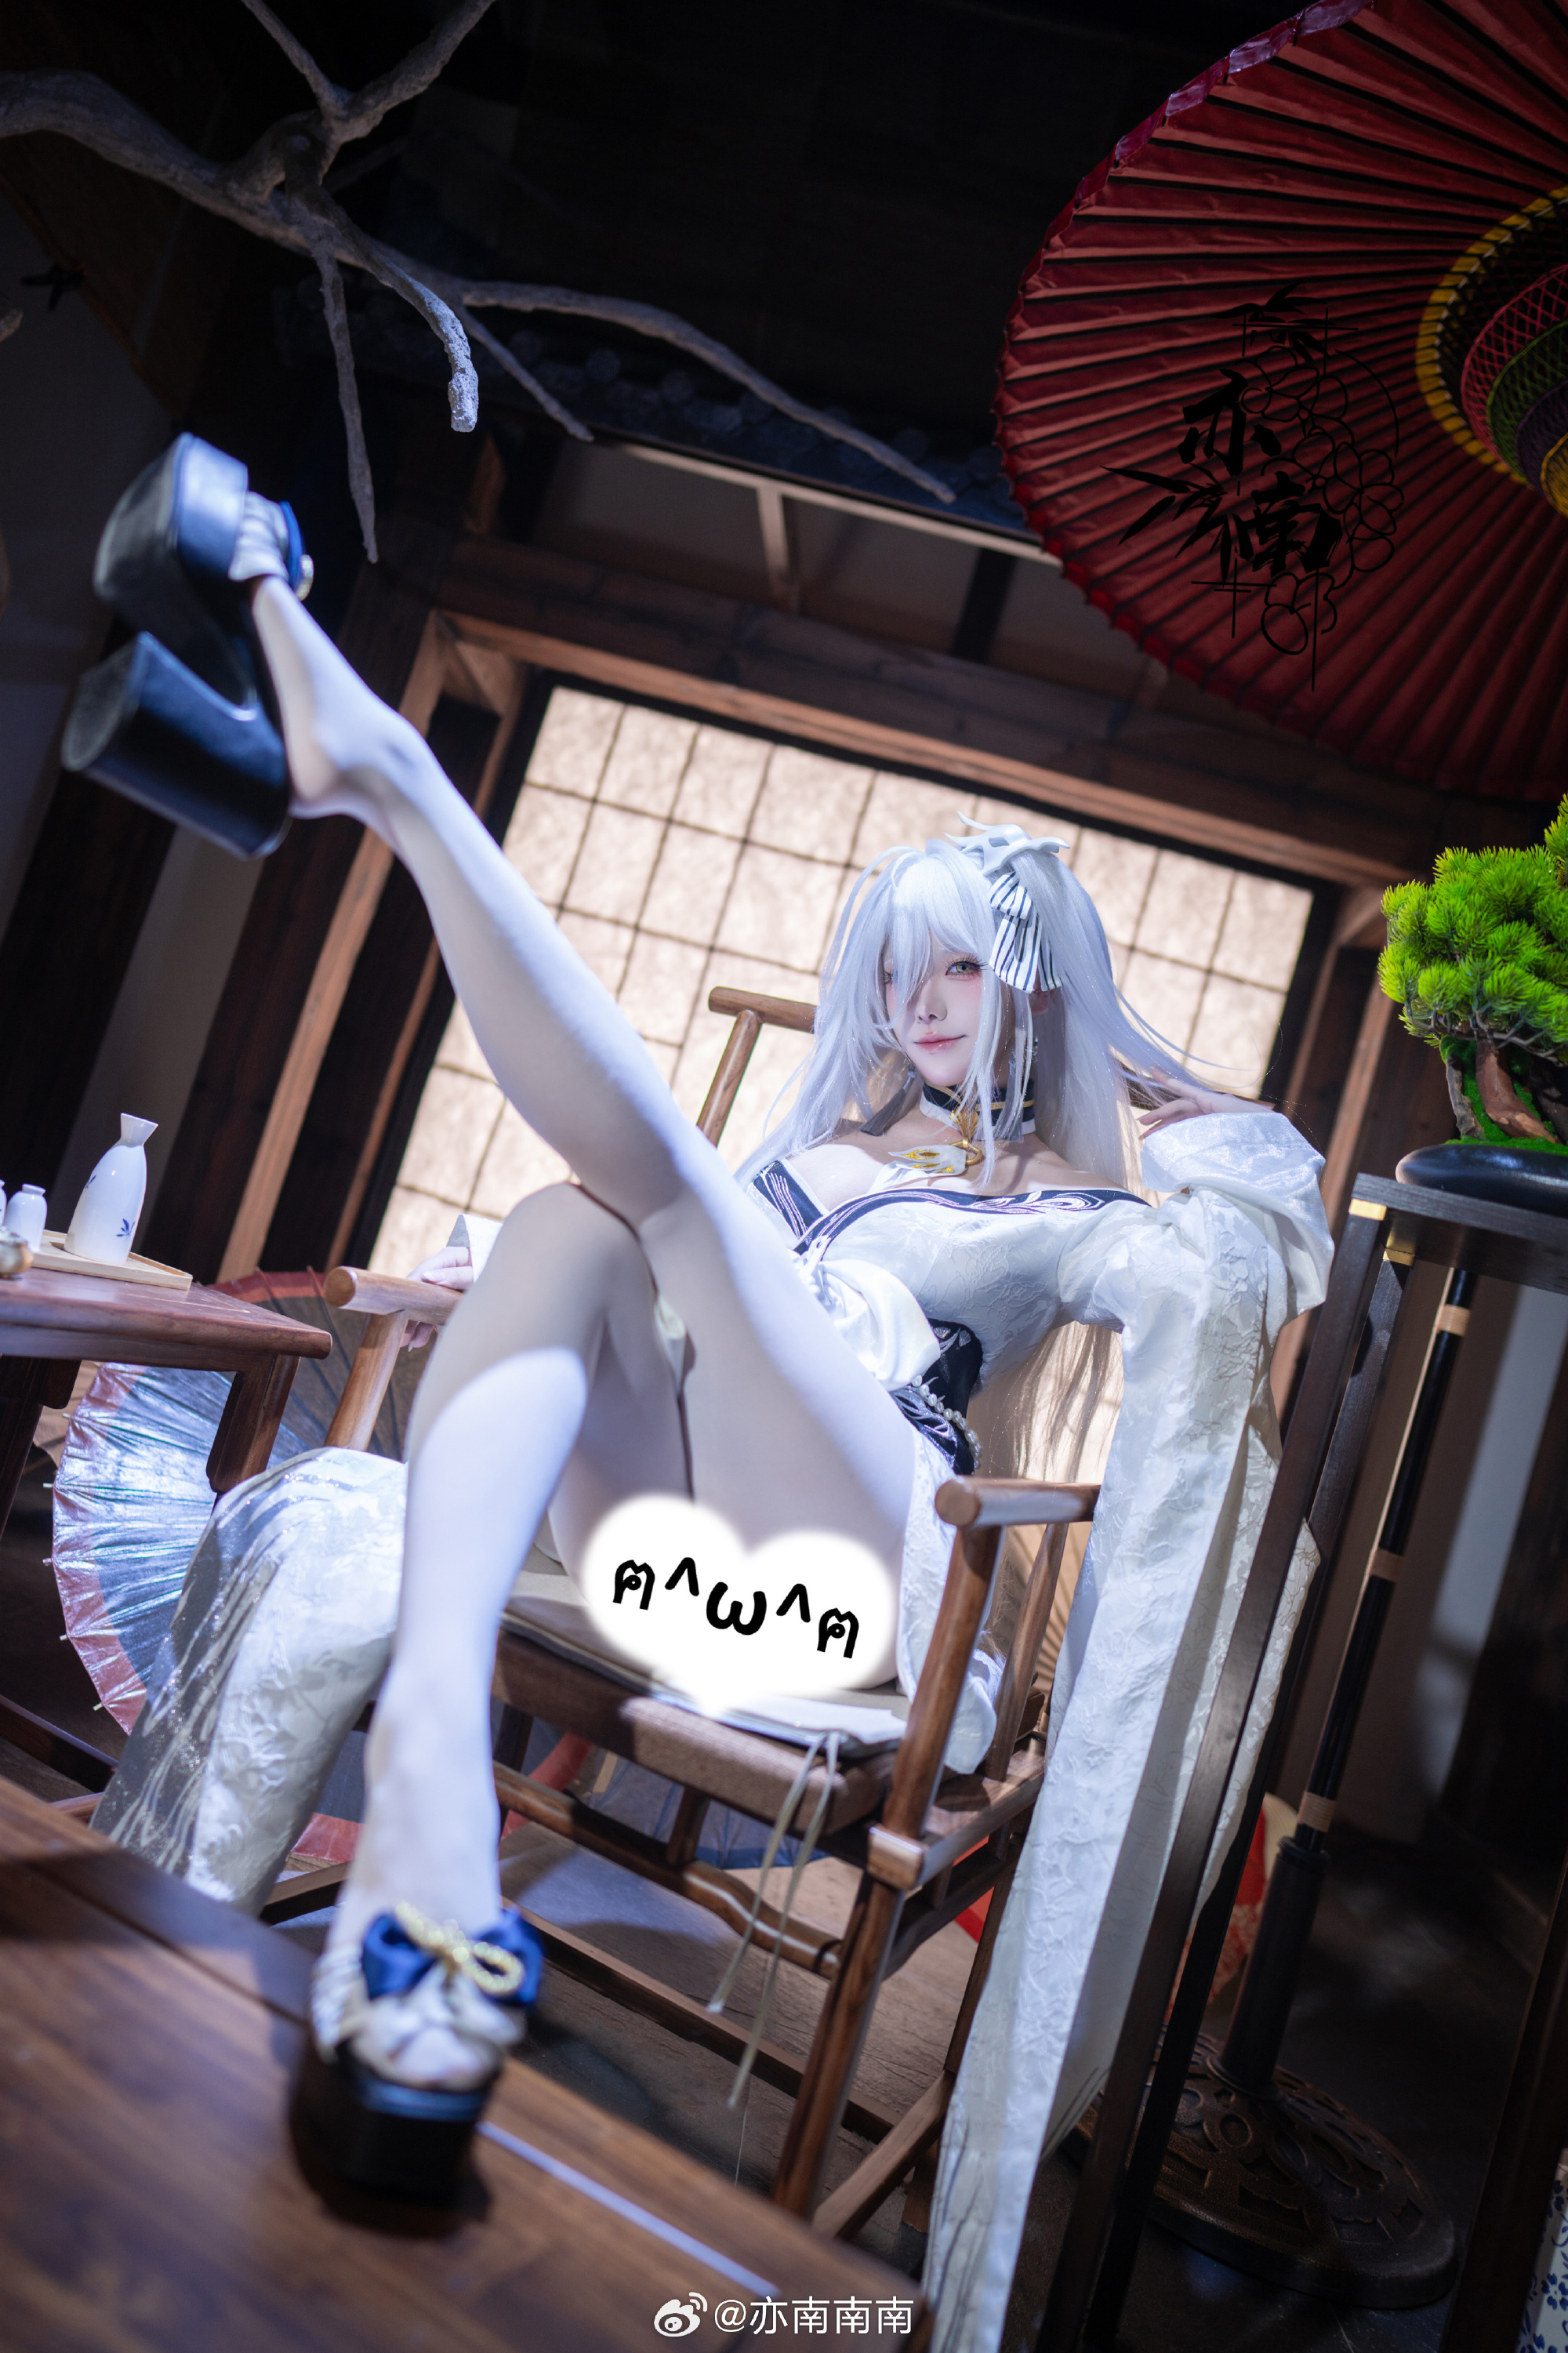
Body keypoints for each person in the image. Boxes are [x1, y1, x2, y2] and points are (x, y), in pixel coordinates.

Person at [74, 441, 1331, 2336]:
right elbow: (657, 1259)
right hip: (670, 1544)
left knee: (654, 1193)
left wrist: (1135, 1061)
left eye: (965, 969)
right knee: (572, 1224)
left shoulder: (1078, 1205)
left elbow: (1249, 1239)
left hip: (852, 1596)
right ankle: (429, 1773)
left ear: (1039, 986)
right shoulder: (814, 1157)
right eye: (897, 971)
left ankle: (380, 768)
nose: (919, 1004)